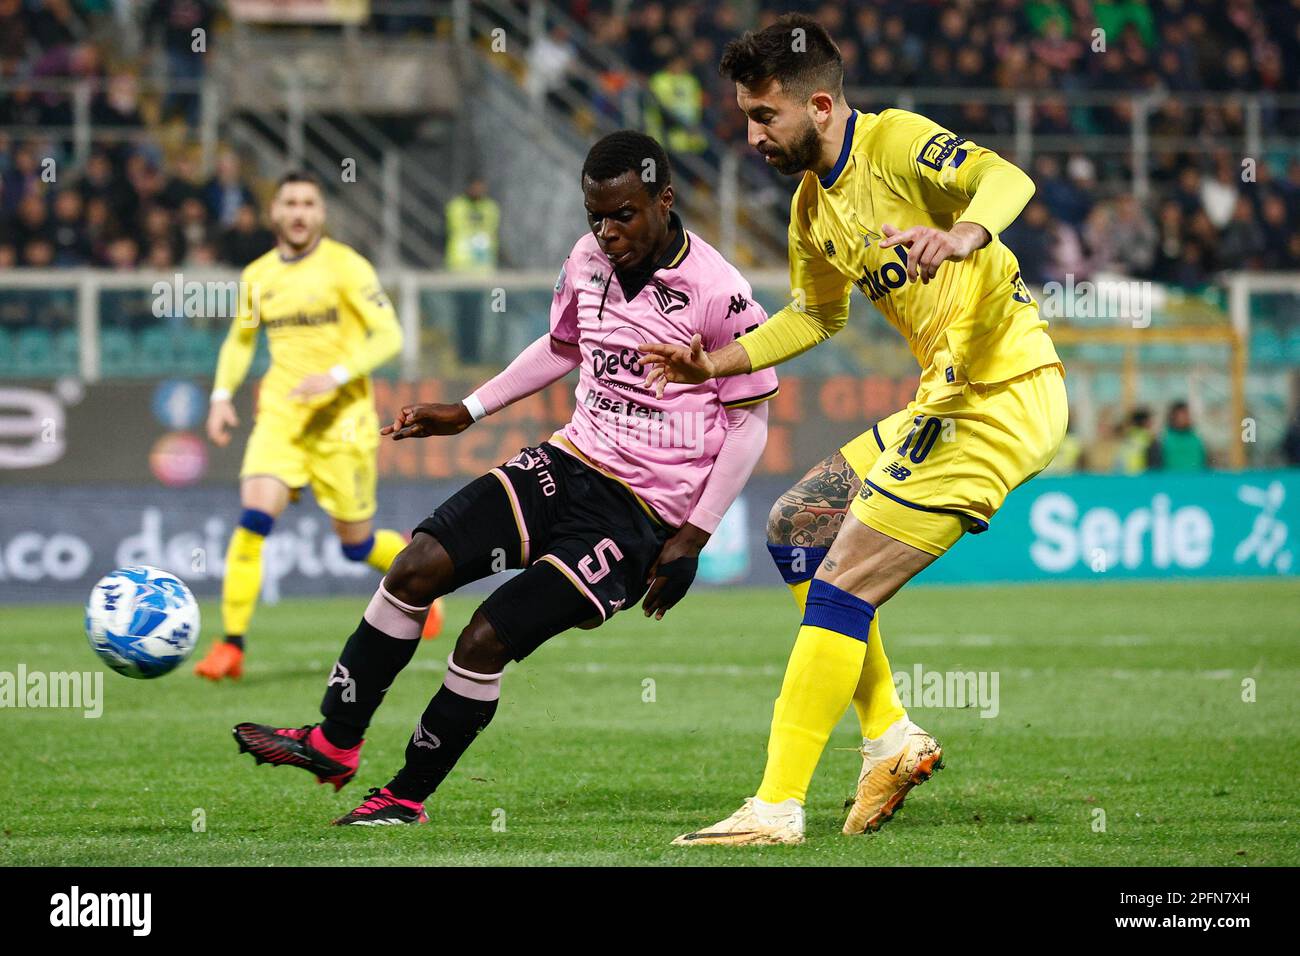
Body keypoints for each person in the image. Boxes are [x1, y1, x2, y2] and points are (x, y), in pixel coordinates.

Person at [230, 131, 780, 826]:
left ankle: (403, 797)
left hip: (638, 513)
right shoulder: (587, 260)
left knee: (484, 638)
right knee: (413, 567)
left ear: (664, 201)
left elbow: (750, 421)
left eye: (624, 216)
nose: (607, 234)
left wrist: (694, 536)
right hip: (568, 459)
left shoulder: (720, 293)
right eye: (596, 217)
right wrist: (468, 410)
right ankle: (334, 740)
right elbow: (561, 349)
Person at [642, 15, 1067, 845]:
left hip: (997, 391)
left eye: (765, 116)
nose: (752, 134)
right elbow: (814, 316)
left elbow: (1008, 177)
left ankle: (775, 807)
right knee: (797, 527)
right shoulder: (811, 210)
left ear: (823, 105)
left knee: (840, 588)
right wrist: (715, 362)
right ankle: (893, 738)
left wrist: (961, 233)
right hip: (942, 397)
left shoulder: (897, 141)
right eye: (746, 116)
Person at [194, 170, 443, 682]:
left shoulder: (347, 267)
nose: (300, 212)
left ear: (321, 213)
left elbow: (388, 335)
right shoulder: (258, 276)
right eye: (290, 203)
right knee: (252, 522)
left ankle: (420, 582)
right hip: (281, 419)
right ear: (275, 213)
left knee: (354, 544)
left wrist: (335, 376)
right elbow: (241, 342)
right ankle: (231, 645)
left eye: (309, 202)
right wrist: (221, 396)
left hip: (343, 424)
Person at [1161, 400, 1207, 471]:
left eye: (1187, 414)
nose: (1185, 418)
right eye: (1181, 415)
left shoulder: (1196, 439)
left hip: (1196, 479)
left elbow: (1203, 461)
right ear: (1173, 417)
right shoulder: (1165, 439)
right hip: (1171, 480)